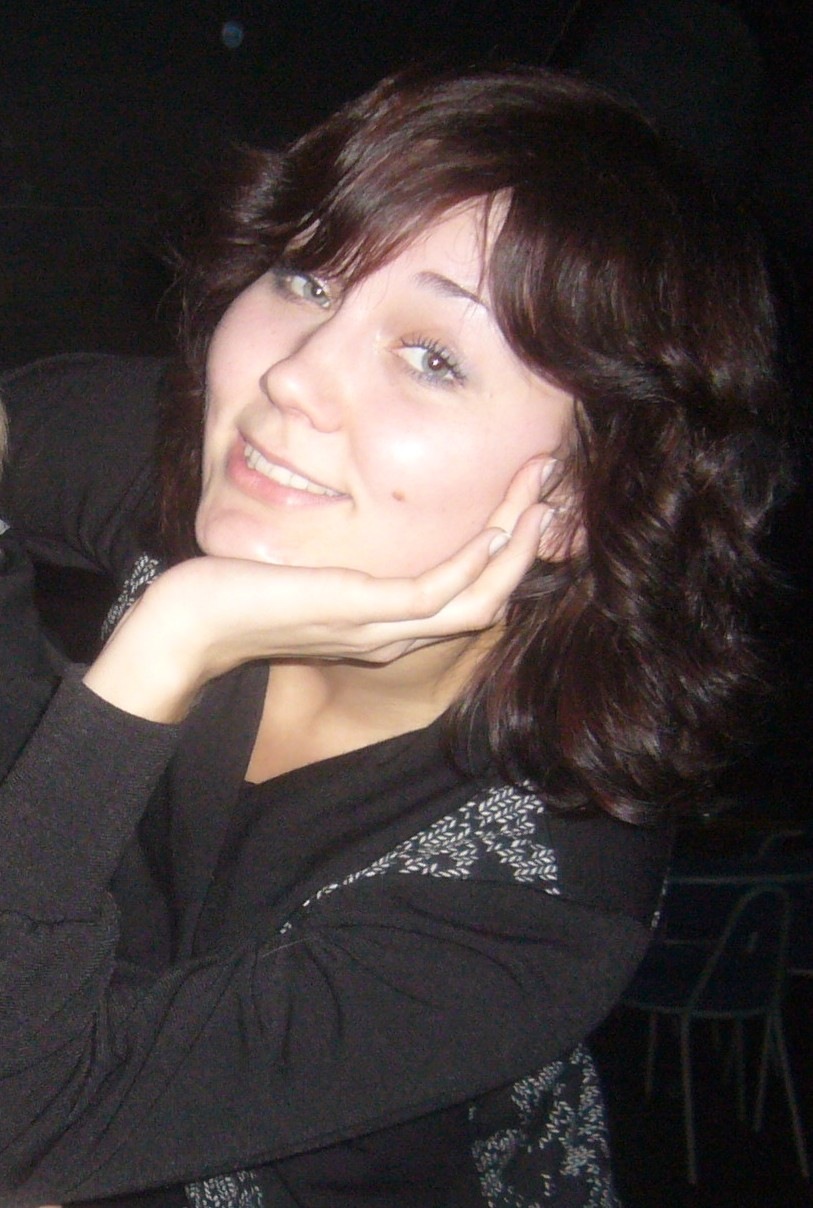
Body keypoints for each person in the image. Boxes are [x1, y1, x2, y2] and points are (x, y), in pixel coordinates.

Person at [0, 65, 783, 1206]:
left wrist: (167, 642)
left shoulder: (538, 895)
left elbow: (21, 1126)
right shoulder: (237, 480)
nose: (292, 376)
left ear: (580, 499)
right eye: (309, 279)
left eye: (432, 358)